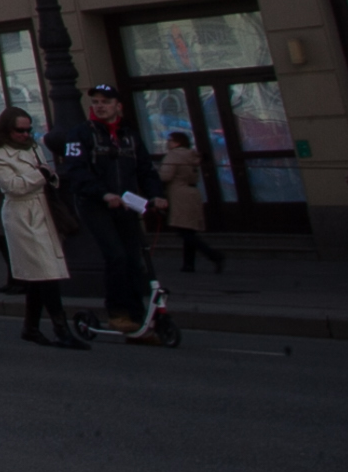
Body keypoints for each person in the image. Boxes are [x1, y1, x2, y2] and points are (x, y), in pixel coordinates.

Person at [57, 82, 162, 331]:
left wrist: (156, 195)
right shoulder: (81, 133)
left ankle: (137, 315)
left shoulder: (129, 136)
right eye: (95, 102)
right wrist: (103, 194)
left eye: (105, 102)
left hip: (125, 205)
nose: (100, 106)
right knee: (116, 257)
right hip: (95, 204)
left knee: (134, 259)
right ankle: (117, 312)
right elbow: (77, 171)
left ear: (118, 106)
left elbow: (146, 169)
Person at [0, 107, 77, 347]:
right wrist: (41, 175)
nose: (25, 134)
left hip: (43, 209)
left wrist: (46, 175)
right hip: (22, 215)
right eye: (19, 130)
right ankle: (61, 328)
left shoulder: (34, 148)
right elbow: (12, 186)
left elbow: (49, 174)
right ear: (7, 129)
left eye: (28, 129)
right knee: (46, 272)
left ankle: (31, 327)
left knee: (37, 274)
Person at [161, 133, 225, 272]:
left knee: (183, 231)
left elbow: (166, 175)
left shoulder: (174, 155)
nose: (168, 143)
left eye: (170, 140)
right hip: (192, 193)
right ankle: (188, 264)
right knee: (188, 230)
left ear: (177, 142)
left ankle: (213, 255)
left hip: (179, 194)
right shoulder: (192, 155)